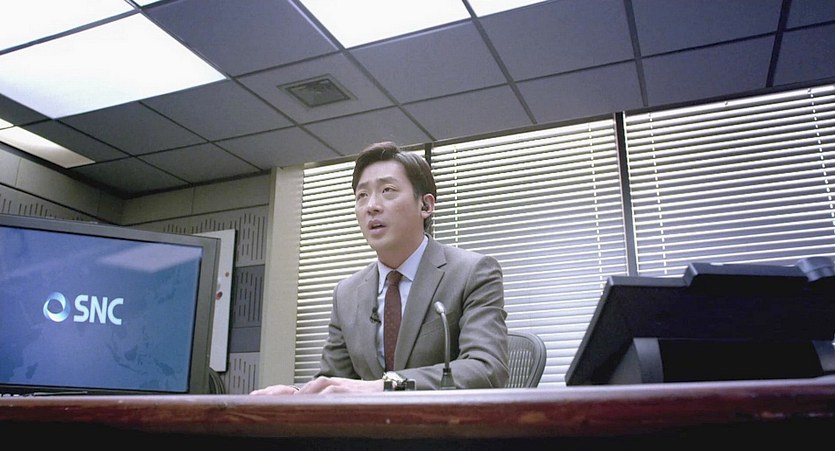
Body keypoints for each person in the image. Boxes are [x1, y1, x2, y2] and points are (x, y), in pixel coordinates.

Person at [251, 141, 508, 394]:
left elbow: (486, 368)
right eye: (362, 195)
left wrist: (385, 386)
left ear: (426, 206)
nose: (371, 206)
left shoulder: (472, 272)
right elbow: (335, 379)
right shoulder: (346, 294)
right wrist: (296, 395)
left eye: (387, 190)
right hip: (370, 423)